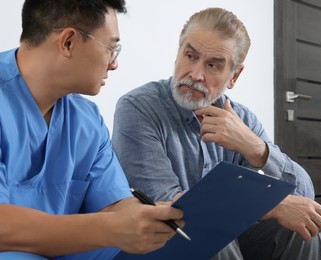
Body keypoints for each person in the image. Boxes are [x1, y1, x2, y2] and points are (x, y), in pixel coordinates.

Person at [112, 7, 321, 260]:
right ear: (178, 53)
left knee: (301, 229)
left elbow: (303, 198)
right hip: (160, 240)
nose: (195, 74)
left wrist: (257, 149)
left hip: (222, 237)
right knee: (208, 232)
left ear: (234, 76)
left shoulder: (241, 119)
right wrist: (271, 205)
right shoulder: (139, 107)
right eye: (190, 55)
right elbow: (167, 204)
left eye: (213, 65)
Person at [0, 0, 185, 259]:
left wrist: (151, 216)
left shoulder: (86, 119)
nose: (114, 63)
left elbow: (114, 204)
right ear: (68, 42)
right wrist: (109, 227)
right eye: (112, 48)